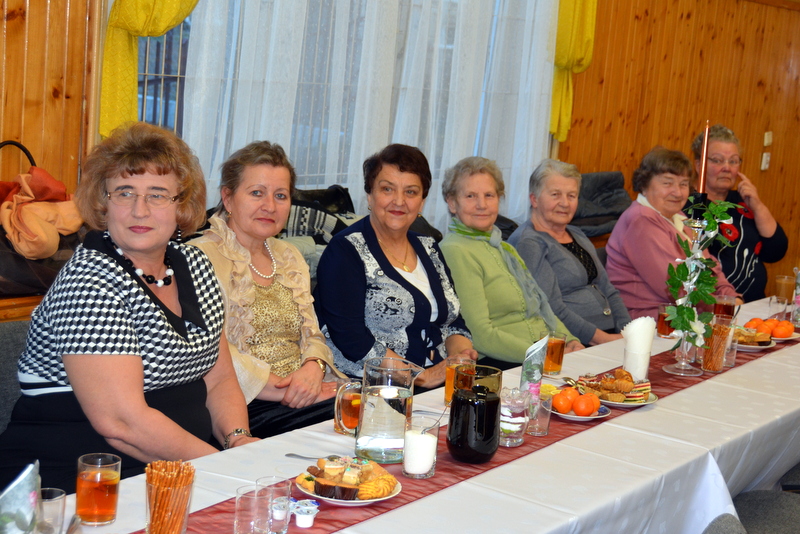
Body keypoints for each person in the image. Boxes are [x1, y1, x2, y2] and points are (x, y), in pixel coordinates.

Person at [0, 123, 257, 492]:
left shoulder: (195, 265)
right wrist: (224, 468)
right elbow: (121, 424)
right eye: (124, 193)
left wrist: (237, 440)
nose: (140, 210)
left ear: (181, 204)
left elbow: (219, 378)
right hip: (76, 482)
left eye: (157, 195)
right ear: (104, 203)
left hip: (179, 468)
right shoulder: (89, 282)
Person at [191, 141, 345, 438]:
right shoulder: (200, 256)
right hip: (244, 402)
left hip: (305, 390)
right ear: (228, 198)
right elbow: (208, 351)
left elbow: (313, 333)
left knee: (379, 404)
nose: (270, 206)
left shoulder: (289, 256)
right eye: (256, 193)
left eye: (280, 195)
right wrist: (281, 388)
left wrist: (313, 367)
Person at [314, 144, 477, 387]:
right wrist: (420, 376)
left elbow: (452, 320)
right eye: (387, 189)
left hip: (437, 381)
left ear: (422, 201)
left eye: (411, 192)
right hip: (372, 386)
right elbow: (350, 337)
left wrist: (461, 357)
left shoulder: (428, 247)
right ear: (370, 195)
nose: (399, 201)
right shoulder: (345, 250)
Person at [439, 157, 583, 369]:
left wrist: (570, 341)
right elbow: (480, 335)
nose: (482, 204)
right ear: (452, 203)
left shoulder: (504, 247)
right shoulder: (455, 250)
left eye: (489, 195)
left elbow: (541, 310)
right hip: (505, 364)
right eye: (470, 196)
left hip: (541, 354)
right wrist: (545, 355)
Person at [606, 147, 740, 320]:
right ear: (644, 185)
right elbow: (677, 287)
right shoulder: (641, 220)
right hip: (652, 323)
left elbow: (710, 266)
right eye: (667, 183)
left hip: (688, 316)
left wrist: (730, 298)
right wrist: (723, 307)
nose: (677, 192)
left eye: (683, 184)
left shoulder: (678, 217)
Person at [509, 159, 630, 346]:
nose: (565, 203)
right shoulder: (529, 242)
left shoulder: (577, 233)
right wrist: (603, 339)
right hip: (575, 342)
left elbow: (608, 290)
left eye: (571, 195)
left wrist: (628, 331)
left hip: (611, 335)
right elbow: (550, 307)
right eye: (555, 194)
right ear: (534, 199)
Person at [689, 125, 788, 302]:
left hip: (754, 305)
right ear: (698, 165)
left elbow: (775, 251)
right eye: (718, 160)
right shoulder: (687, 206)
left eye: (733, 161)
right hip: (713, 306)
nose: (727, 168)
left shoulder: (744, 202)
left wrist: (757, 206)